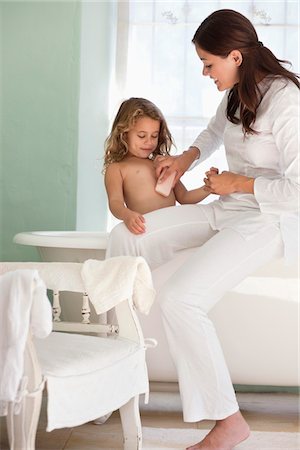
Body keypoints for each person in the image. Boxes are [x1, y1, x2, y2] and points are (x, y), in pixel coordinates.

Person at [106, 9, 299, 450]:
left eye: (209, 63)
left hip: (269, 220)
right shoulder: (236, 92)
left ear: (235, 55)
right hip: (228, 208)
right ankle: (113, 371)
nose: (204, 71)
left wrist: (240, 183)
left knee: (181, 299)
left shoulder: (286, 100)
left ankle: (229, 421)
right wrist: (185, 160)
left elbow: (299, 189)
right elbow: (213, 133)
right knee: (123, 239)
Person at [103, 97, 212, 234]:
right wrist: (127, 215)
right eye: (142, 136)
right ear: (124, 135)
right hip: (147, 231)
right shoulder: (117, 169)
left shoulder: (161, 164)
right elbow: (115, 202)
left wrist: (208, 188)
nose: (149, 142)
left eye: (154, 136)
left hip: (173, 227)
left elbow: (185, 197)